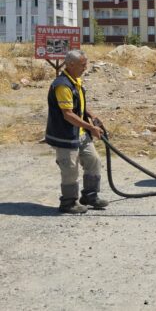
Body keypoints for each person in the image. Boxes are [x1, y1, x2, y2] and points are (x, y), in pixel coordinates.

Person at [45, 50, 109, 214]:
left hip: (80, 134)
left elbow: (78, 104)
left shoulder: (75, 81)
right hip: (66, 136)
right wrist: (91, 128)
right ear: (71, 64)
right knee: (70, 170)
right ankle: (68, 203)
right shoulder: (62, 85)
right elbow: (68, 114)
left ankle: (90, 196)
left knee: (93, 161)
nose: (85, 68)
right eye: (83, 64)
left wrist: (92, 116)